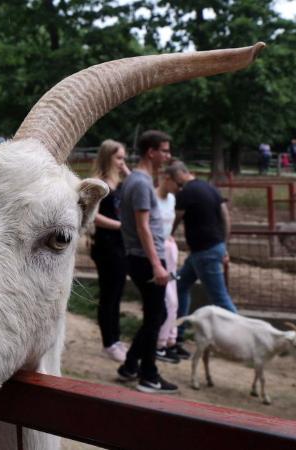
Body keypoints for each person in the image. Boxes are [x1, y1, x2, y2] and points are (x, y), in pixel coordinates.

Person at [115, 130, 178, 394]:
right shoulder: (141, 184)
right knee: (155, 318)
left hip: (139, 256)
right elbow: (143, 227)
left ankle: (130, 365)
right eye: (164, 150)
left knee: (158, 314)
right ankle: (148, 375)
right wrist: (157, 264)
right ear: (151, 152)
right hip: (146, 258)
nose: (168, 155)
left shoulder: (135, 180)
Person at [166, 161, 237, 352]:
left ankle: (241, 337)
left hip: (204, 252)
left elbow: (176, 218)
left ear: (180, 174)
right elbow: (225, 216)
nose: (175, 184)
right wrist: (224, 245)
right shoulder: (210, 188)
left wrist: (166, 235)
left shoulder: (186, 192)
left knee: (219, 297)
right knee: (180, 286)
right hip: (210, 249)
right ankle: (178, 333)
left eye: (174, 179)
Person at [89, 139, 131, 362]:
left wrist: (125, 170)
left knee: (116, 294)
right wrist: (119, 226)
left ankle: (115, 339)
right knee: (109, 295)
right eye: (119, 158)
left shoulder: (121, 182)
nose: (122, 162)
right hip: (106, 244)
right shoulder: (99, 183)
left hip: (119, 244)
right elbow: (92, 214)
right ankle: (109, 342)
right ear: (108, 158)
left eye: (124, 158)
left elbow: (138, 185)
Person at [154, 168, 180, 364]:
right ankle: (159, 343)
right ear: (167, 179)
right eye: (178, 184)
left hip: (170, 250)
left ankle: (170, 339)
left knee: (174, 299)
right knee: (168, 300)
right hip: (157, 251)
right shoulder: (152, 197)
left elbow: (168, 224)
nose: (179, 189)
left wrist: (169, 235)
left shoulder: (172, 199)